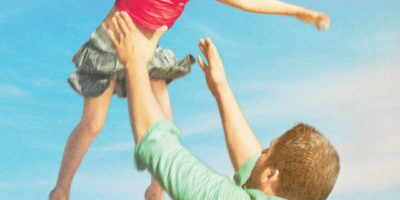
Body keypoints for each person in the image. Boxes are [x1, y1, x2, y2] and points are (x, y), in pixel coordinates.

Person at [50, 0, 331, 199]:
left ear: (271, 176)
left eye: (266, 154)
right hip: (114, 43)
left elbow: (248, 1)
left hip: (145, 54)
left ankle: (155, 190)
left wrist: (299, 11)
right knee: (93, 125)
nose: (260, 153)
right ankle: (60, 190)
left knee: (165, 124)